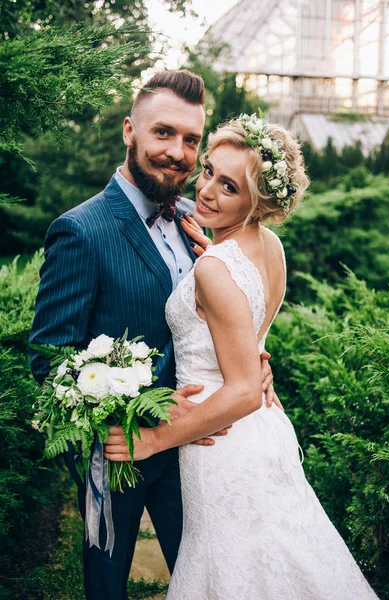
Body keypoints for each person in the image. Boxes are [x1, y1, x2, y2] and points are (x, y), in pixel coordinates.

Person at [105, 115, 379, 599]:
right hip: (265, 438)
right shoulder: (268, 248)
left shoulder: (214, 267)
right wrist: (215, 252)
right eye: (209, 170)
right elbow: (245, 328)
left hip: (221, 441)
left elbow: (244, 390)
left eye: (228, 186)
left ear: (257, 202)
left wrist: (154, 439)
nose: (206, 190)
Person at [29, 70, 277, 600]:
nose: (179, 153)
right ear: (129, 131)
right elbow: (49, 360)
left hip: (203, 453)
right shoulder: (81, 230)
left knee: (208, 580)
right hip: (120, 454)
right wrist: (132, 417)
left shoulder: (201, 220)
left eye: (191, 140)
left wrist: (255, 355)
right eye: (163, 133)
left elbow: (224, 315)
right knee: (107, 588)